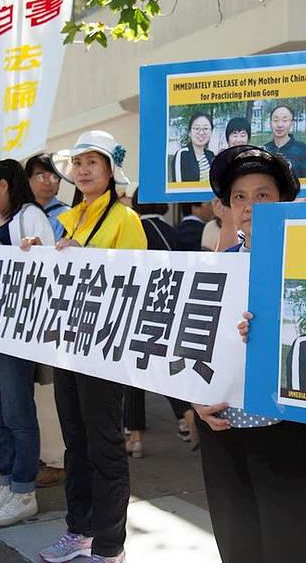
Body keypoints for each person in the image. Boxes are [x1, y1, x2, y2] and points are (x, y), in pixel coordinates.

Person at [193, 144, 306, 563]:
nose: (249, 206)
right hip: (222, 424)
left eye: (262, 195)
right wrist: (195, 400)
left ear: (284, 201)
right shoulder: (216, 266)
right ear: (226, 207)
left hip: (282, 426)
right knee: (235, 537)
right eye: (239, 198)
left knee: (287, 539)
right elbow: (193, 342)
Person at [33, 130, 146, 563]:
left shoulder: (125, 219)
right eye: (77, 164)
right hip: (68, 344)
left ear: (110, 171)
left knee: (103, 444)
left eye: (91, 163)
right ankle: (78, 529)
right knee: (75, 442)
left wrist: (83, 256)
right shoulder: (68, 219)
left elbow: (136, 282)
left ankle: (110, 544)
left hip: (103, 349)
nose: (81, 171)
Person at [0, 158, 56, 527]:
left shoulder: (30, 216)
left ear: (3, 185)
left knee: (18, 413)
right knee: (0, 414)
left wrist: (34, 249)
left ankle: (23, 490)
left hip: (15, 332)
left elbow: (50, 264)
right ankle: (7, 483)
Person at [121, 190, 199, 458]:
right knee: (164, 366)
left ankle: (135, 437)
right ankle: (187, 414)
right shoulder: (172, 230)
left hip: (139, 306)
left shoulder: (134, 229)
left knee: (133, 374)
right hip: (171, 305)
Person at [25, 153, 70, 241]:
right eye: (41, 176)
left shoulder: (66, 215)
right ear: (27, 181)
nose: (47, 183)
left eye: (54, 177)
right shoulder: (20, 212)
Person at [263, 105, 306, 178]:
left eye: (285, 120)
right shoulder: (265, 149)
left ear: (292, 124)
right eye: (276, 120)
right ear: (270, 123)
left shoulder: (301, 148)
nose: (280, 125)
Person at [170, 112, 216, 183]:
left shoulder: (211, 155)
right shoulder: (182, 154)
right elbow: (178, 187)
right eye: (197, 128)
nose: (201, 133)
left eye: (206, 129)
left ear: (211, 132)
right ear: (189, 132)